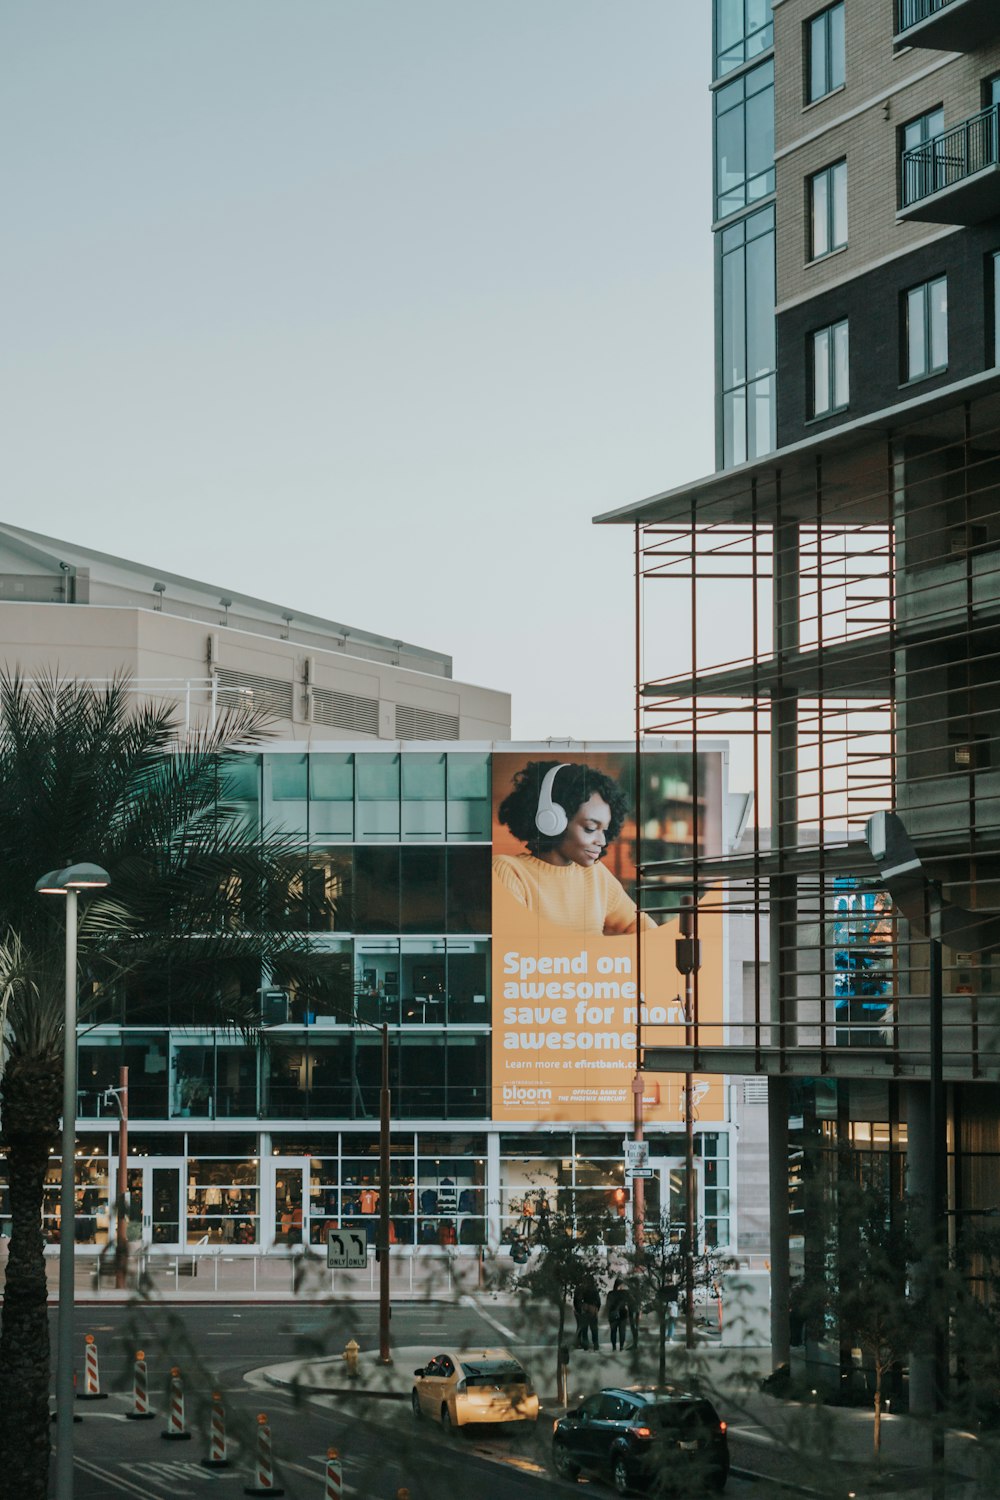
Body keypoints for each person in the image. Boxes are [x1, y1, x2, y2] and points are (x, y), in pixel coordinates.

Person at [493, 761, 656, 935]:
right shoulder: (508, 871)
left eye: (605, 831)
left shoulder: (595, 874)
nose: (601, 840)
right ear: (551, 821)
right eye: (590, 828)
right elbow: (516, 946)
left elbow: (641, 925)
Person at [574, 1275, 602, 1351]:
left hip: (585, 1309)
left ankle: (585, 1346)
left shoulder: (581, 1289)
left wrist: (579, 1310)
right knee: (594, 1329)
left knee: (584, 1329)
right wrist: (596, 1309)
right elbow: (598, 1301)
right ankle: (595, 1345)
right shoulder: (594, 1289)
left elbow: (577, 1301)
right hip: (593, 1309)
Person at [606, 1277, 633, 1352]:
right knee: (622, 1331)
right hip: (622, 1314)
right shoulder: (625, 1293)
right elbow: (631, 1301)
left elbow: (608, 1305)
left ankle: (614, 1347)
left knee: (613, 1331)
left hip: (613, 1314)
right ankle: (621, 1347)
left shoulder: (611, 1293)